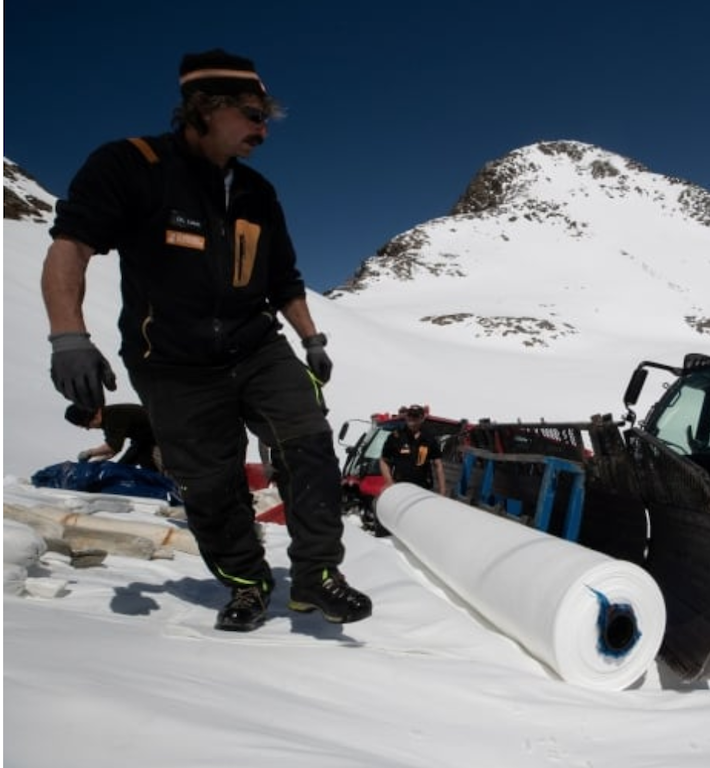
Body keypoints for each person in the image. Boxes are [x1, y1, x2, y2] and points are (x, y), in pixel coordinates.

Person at [41, 49, 371, 632]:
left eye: (266, 117)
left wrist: (312, 339)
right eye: (251, 114)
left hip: (256, 347)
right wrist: (69, 336)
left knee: (309, 444)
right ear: (204, 108)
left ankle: (318, 574)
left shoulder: (256, 193)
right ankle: (247, 584)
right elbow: (72, 245)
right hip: (171, 363)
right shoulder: (131, 165)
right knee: (211, 484)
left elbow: (284, 281)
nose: (262, 130)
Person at [65, 402, 161, 471]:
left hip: (163, 440)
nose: (88, 429)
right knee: (121, 468)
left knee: (156, 466)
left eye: (87, 425)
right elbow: (113, 449)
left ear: (94, 417)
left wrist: (89, 453)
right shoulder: (107, 417)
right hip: (143, 441)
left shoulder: (114, 417)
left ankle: (169, 490)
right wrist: (97, 462)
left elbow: (112, 447)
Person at [380, 405, 447, 496]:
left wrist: (442, 492)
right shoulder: (396, 436)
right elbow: (384, 460)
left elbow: (438, 465)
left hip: (422, 489)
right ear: (406, 417)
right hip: (400, 487)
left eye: (415, 416)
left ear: (422, 419)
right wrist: (389, 482)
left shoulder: (429, 439)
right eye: (410, 416)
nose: (412, 419)